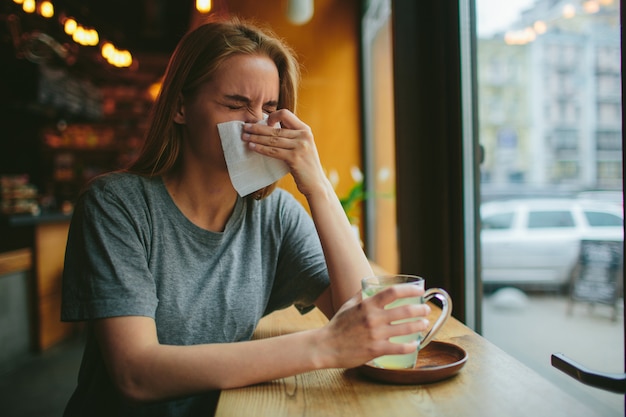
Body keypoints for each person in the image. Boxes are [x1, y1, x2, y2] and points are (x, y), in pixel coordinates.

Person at [61, 17, 431, 416]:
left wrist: (317, 186)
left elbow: (369, 321)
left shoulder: (274, 216)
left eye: (269, 108)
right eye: (236, 105)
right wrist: (324, 346)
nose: (257, 124)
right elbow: (136, 373)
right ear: (181, 106)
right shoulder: (116, 204)